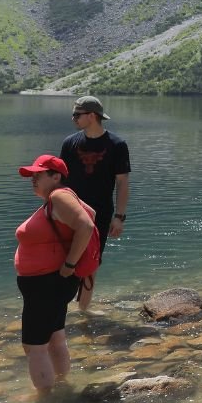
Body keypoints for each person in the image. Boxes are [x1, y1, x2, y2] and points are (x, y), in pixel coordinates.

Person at [14, 154, 96, 391]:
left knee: (34, 346)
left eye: (38, 174)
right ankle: (60, 386)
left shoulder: (59, 196)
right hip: (53, 283)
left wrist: (69, 264)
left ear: (56, 176)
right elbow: (91, 213)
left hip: (47, 283)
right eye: (32, 175)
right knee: (55, 339)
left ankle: (46, 400)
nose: (33, 179)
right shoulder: (61, 198)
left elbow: (87, 225)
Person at [59, 95, 129, 310]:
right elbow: (60, 181)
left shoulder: (117, 145)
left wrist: (119, 217)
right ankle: (61, 309)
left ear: (92, 116)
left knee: (90, 263)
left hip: (100, 213)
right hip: (69, 212)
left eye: (77, 115)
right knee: (64, 260)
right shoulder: (70, 143)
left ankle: (83, 313)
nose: (73, 119)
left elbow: (122, 182)